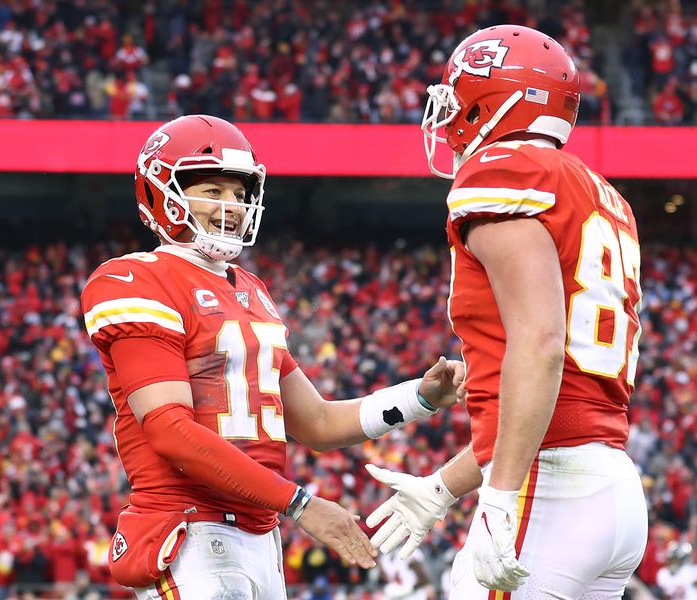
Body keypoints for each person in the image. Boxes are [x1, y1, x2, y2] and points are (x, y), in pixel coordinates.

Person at [80, 114, 464, 599]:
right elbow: (169, 431)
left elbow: (319, 423)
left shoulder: (252, 290)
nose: (232, 207)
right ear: (161, 191)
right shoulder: (135, 279)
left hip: (261, 538)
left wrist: (420, 397)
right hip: (189, 530)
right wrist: (301, 504)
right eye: (213, 191)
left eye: (239, 195)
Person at [366, 25, 648, 598]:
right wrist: (444, 488)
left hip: (548, 494)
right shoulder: (601, 192)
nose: (447, 117)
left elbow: (542, 344)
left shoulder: (504, 170)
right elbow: (549, 403)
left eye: (457, 98)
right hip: (609, 487)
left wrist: (498, 495)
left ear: (490, 100)